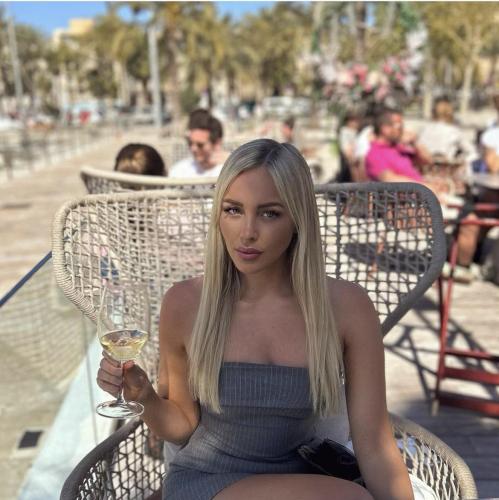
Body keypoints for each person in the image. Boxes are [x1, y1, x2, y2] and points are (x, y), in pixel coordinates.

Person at [97, 139, 414, 500]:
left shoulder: (347, 307)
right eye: (233, 210)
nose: (247, 232)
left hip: (303, 483)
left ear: (298, 220)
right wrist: (144, 396)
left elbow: (375, 445)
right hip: (207, 481)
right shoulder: (186, 303)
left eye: (269, 213)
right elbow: (182, 425)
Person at [366, 107, 479, 282]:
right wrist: (426, 188)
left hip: (423, 200)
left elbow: (428, 160)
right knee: (470, 219)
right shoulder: (375, 153)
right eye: (398, 125)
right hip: (404, 209)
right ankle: (461, 267)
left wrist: (416, 142)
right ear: (385, 128)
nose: (402, 129)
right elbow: (389, 179)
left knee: (471, 212)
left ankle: (459, 262)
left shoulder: (399, 149)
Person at [417, 96, 477, 169]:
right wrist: (459, 161)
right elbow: (473, 153)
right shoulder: (454, 131)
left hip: (425, 168)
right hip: (445, 168)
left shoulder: (424, 130)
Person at [169, 109, 228, 178]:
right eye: (190, 143)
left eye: (200, 145)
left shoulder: (227, 172)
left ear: (217, 143)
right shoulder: (178, 171)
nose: (193, 148)